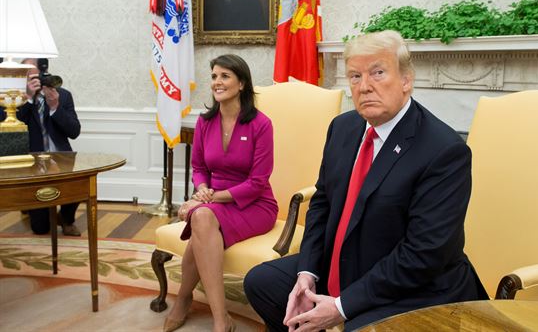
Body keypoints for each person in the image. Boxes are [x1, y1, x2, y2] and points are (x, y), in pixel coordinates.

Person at [243, 30, 488, 331]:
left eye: (378, 73)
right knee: (262, 282)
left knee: (359, 326)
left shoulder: (444, 150)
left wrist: (341, 307)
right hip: (346, 260)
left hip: (415, 285)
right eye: (355, 76)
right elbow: (322, 202)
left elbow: (423, 255)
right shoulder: (343, 127)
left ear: (406, 81)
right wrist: (307, 272)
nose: (365, 87)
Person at [163, 54, 277, 332]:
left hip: (255, 205)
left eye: (225, 76)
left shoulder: (261, 124)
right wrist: (202, 190)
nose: (217, 82)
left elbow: (258, 182)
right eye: (214, 76)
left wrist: (206, 198)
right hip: (213, 203)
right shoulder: (204, 122)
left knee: (201, 217)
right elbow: (199, 167)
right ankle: (219, 318)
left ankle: (183, 299)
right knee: (202, 220)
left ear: (242, 84)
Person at [0, 58, 81, 236]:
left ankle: (67, 219)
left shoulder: (63, 95)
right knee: (41, 229)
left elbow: (75, 131)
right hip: (32, 162)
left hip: (60, 156)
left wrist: (55, 107)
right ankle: (31, 206)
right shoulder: (13, 97)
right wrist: (27, 98)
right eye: (31, 78)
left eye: (39, 77)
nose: (37, 81)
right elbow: (10, 131)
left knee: (79, 181)